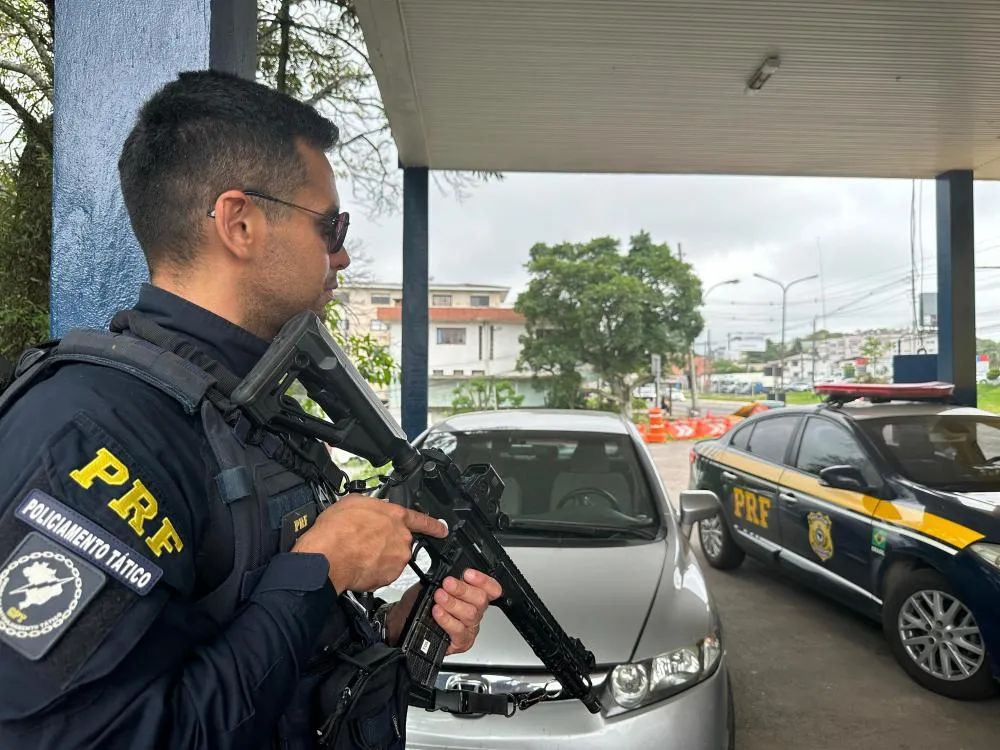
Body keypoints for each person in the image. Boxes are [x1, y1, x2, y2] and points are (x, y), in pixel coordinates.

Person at [0, 69, 501, 749]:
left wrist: (389, 630)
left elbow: (249, 650)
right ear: (240, 222)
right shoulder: (95, 431)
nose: (342, 255)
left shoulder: (247, 410)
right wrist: (319, 571)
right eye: (331, 226)